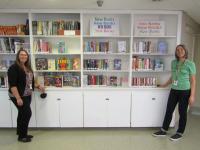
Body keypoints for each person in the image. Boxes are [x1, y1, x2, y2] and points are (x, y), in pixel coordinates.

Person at [153, 44, 196, 141]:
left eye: (181, 49)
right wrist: (164, 85)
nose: (179, 51)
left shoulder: (190, 64)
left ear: (185, 51)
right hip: (174, 90)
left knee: (182, 112)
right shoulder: (174, 63)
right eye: (177, 50)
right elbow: (173, 77)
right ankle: (163, 130)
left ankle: (180, 132)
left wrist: (192, 96)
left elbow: (193, 81)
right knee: (169, 110)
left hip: (185, 91)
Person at [7, 48, 45, 143]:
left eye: (25, 55)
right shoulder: (13, 68)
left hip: (27, 94)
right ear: (18, 56)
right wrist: (18, 98)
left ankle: (21, 133)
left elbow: (29, 82)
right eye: (21, 55)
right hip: (18, 95)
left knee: (22, 113)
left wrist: (38, 86)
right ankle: (22, 136)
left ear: (27, 57)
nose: (23, 56)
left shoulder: (27, 67)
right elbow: (13, 85)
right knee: (27, 113)